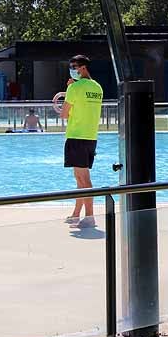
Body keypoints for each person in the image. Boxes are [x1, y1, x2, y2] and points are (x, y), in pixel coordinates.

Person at [60, 55, 104, 229]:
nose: (72, 69)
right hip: (91, 136)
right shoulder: (97, 87)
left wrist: (70, 88)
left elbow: (64, 114)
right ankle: (76, 214)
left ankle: (90, 216)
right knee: (80, 178)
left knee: (83, 178)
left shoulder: (74, 88)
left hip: (76, 136)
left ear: (83, 67)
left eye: (74, 66)